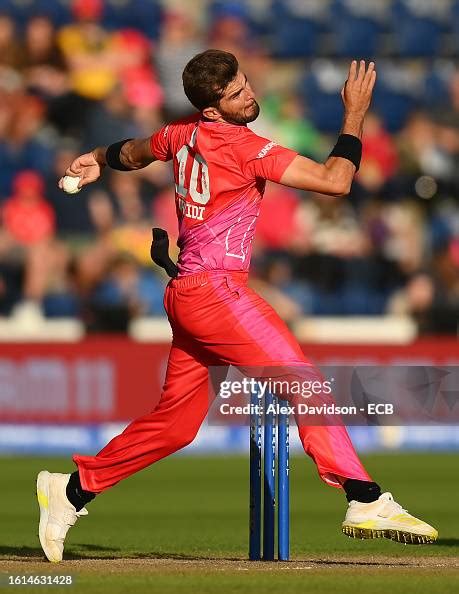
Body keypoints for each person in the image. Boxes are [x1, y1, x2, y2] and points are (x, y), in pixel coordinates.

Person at [36, 50, 438, 563]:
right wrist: (354, 113)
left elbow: (134, 153)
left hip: (186, 292)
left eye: (246, 84)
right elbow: (336, 182)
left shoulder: (178, 134)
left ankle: (70, 491)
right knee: (305, 383)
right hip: (214, 293)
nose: (250, 96)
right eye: (236, 94)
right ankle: (363, 497)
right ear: (212, 109)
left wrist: (97, 157)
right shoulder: (246, 148)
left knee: (177, 425)